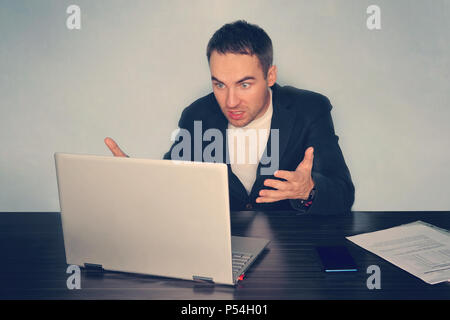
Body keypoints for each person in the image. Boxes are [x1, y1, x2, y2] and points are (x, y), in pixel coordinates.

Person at [105, 20, 354, 215]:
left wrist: (308, 191)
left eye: (244, 84)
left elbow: (343, 194)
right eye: (220, 85)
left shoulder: (309, 109)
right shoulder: (197, 116)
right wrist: (135, 178)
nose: (230, 101)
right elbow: (170, 186)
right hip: (220, 249)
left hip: (291, 251)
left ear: (270, 76)